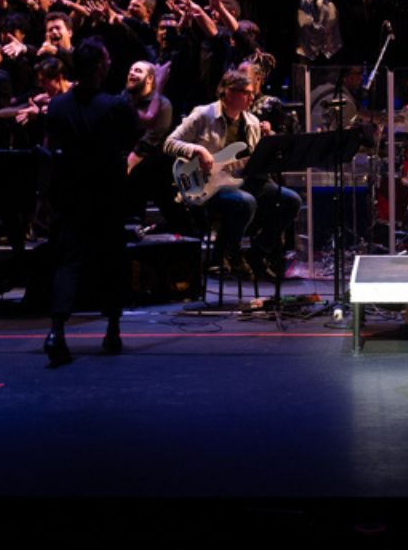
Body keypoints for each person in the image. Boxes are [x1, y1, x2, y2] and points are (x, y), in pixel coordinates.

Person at [39, 38, 138, 365]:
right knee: (111, 261)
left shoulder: (57, 106)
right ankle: (112, 330)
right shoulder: (115, 105)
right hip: (106, 193)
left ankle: (56, 330)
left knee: (68, 262)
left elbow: (53, 149)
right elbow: (131, 136)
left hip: (70, 192)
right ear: (99, 67)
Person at [163, 65, 300, 279]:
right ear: (228, 92)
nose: (251, 98)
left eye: (252, 93)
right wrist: (197, 150)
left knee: (291, 200)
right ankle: (229, 254)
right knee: (246, 202)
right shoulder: (203, 114)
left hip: (241, 179)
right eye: (246, 93)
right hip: (207, 184)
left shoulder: (252, 122)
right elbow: (170, 143)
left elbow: (255, 160)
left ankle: (257, 252)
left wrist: (269, 143)